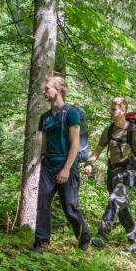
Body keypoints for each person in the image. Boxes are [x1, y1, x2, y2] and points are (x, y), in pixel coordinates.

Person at [32, 76, 91, 253]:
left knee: (70, 207)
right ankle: (42, 242)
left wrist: (66, 169)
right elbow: (43, 144)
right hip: (48, 166)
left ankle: (84, 237)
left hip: (67, 166)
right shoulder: (45, 118)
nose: (44, 91)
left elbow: (75, 143)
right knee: (42, 202)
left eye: (47, 88)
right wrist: (39, 164)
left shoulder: (71, 113)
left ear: (58, 90)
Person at [83, 97, 136, 253]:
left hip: (128, 172)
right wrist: (89, 162)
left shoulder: (134, 131)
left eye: (114, 109)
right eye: (111, 108)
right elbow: (99, 149)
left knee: (114, 201)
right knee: (122, 208)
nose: (111, 111)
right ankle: (135, 241)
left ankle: (101, 237)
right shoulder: (109, 130)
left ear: (123, 110)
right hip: (113, 172)